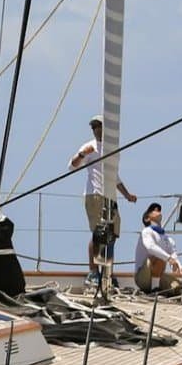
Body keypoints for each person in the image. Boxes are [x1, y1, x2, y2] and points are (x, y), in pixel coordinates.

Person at [68, 115, 136, 285]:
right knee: (98, 232)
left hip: (110, 196)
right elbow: (72, 166)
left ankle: (107, 272)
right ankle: (93, 272)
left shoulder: (113, 149)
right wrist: (83, 154)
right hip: (95, 194)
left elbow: (115, 177)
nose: (96, 129)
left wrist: (127, 195)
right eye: (94, 127)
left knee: (112, 234)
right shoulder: (90, 146)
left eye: (99, 126)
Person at [134, 202, 182, 293]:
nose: (158, 211)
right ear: (147, 218)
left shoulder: (167, 238)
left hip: (158, 275)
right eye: (153, 210)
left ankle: (156, 286)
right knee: (157, 257)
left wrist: (180, 267)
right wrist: (168, 258)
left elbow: (173, 254)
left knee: (178, 287)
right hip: (142, 277)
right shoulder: (146, 232)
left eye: (159, 210)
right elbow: (151, 247)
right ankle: (154, 290)